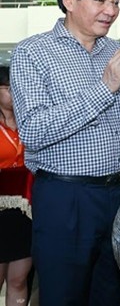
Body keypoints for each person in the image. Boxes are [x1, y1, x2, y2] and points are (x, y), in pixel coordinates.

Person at [10, 0, 120, 306]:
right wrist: (106, 87)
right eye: (101, 0)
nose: (111, 10)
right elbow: (34, 130)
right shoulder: (33, 53)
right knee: (62, 295)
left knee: (109, 294)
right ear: (69, 0)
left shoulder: (115, 51)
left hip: (118, 195)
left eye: (116, 1)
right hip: (65, 197)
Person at [0, 66, 33, 306]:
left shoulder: (30, 121)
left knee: (19, 280)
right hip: (0, 212)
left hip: (27, 211)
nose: (15, 93)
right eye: (9, 88)